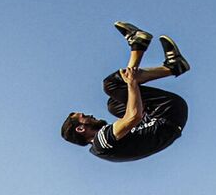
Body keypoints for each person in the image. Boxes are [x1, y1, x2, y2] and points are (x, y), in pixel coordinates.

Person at [60, 22, 192, 163]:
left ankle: (173, 66)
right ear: (80, 128)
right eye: (84, 116)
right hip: (167, 114)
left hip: (167, 121)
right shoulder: (102, 140)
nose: (90, 115)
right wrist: (132, 83)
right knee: (112, 85)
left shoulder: (101, 148)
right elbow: (134, 116)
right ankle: (139, 46)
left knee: (113, 103)